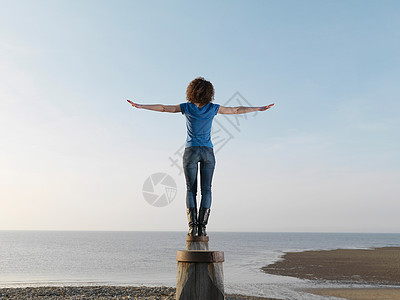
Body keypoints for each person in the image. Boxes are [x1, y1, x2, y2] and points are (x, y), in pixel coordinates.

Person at [127, 77, 274, 236]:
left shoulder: (187, 107)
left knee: (191, 190)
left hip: (191, 151)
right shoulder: (213, 108)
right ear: (209, 93)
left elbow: (163, 108)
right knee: (207, 190)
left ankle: (192, 227)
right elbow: (236, 110)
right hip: (207, 152)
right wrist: (258, 108)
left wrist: (141, 106)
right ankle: (202, 228)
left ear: (191, 91)